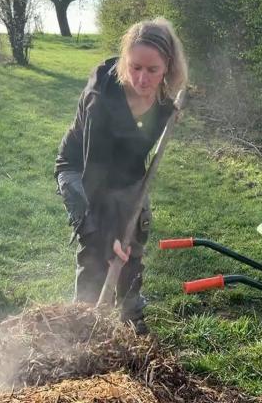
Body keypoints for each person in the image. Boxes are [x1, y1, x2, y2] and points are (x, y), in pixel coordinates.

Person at [54, 18, 187, 334]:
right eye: (135, 67)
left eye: (152, 70)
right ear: (126, 61)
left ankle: (131, 316)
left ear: (167, 65)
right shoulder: (101, 98)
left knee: (132, 245)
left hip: (129, 175)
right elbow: (95, 170)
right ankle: (82, 326)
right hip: (82, 171)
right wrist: (109, 232)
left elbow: (136, 152)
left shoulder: (165, 98)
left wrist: (125, 224)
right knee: (97, 248)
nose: (142, 78)